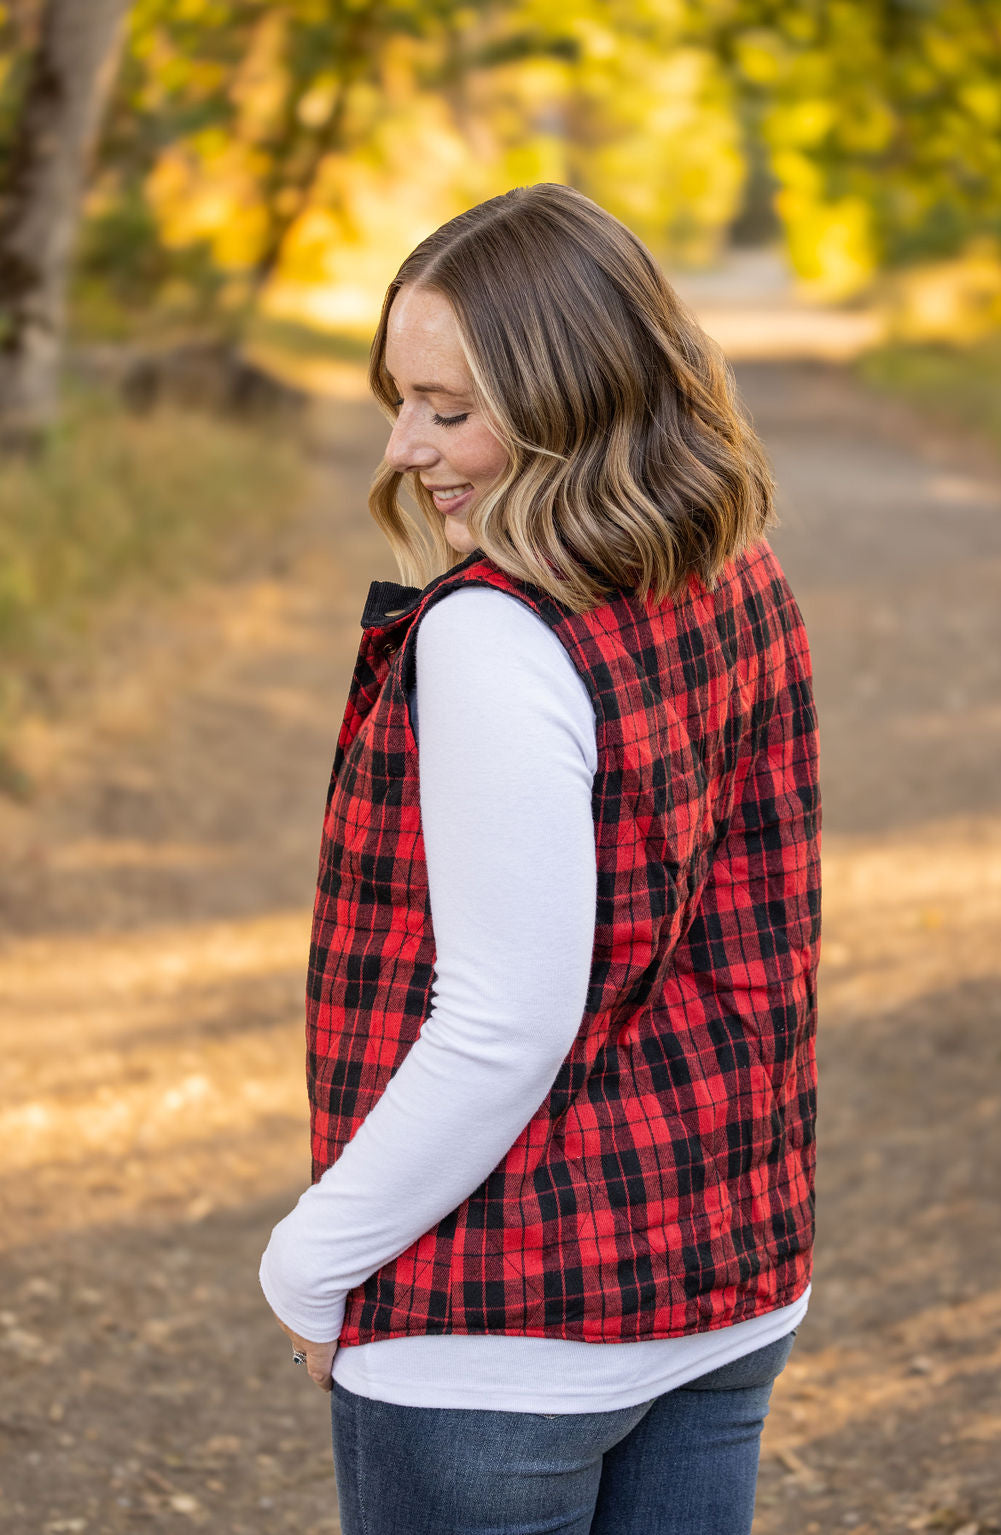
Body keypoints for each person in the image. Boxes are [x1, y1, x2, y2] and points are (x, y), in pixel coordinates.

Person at [258, 182, 821, 1535]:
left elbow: (505, 1020)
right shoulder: (734, 568)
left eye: (449, 410)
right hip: (728, 1274)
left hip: (500, 1324)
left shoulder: (498, 636)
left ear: (578, 398)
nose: (403, 448)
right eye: (400, 398)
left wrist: (309, 1258)